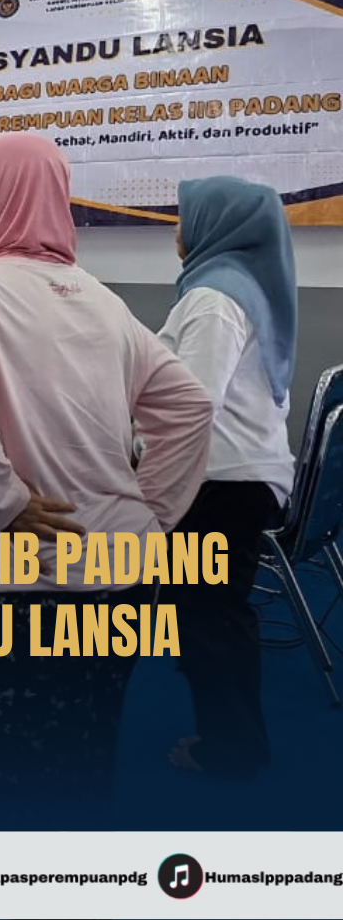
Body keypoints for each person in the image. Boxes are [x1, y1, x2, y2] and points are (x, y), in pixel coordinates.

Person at [0, 133, 214, 830]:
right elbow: (191, 408)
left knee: (23, 782)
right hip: (126, 571)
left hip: (32, 585)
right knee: (89, 751)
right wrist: (151, 514)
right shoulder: (103, 301)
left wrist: (2, 503)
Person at [158, 177, 297, 780]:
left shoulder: (214, 298)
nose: (176, 229)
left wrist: (129, 448)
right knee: (212, 613)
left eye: (183, 217)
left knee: (211, 618)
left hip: (221, 484)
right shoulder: (241, 284)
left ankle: (232, 750)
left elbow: (189, 408)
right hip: (240, 476)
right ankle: (230, 734)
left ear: (214, 224)